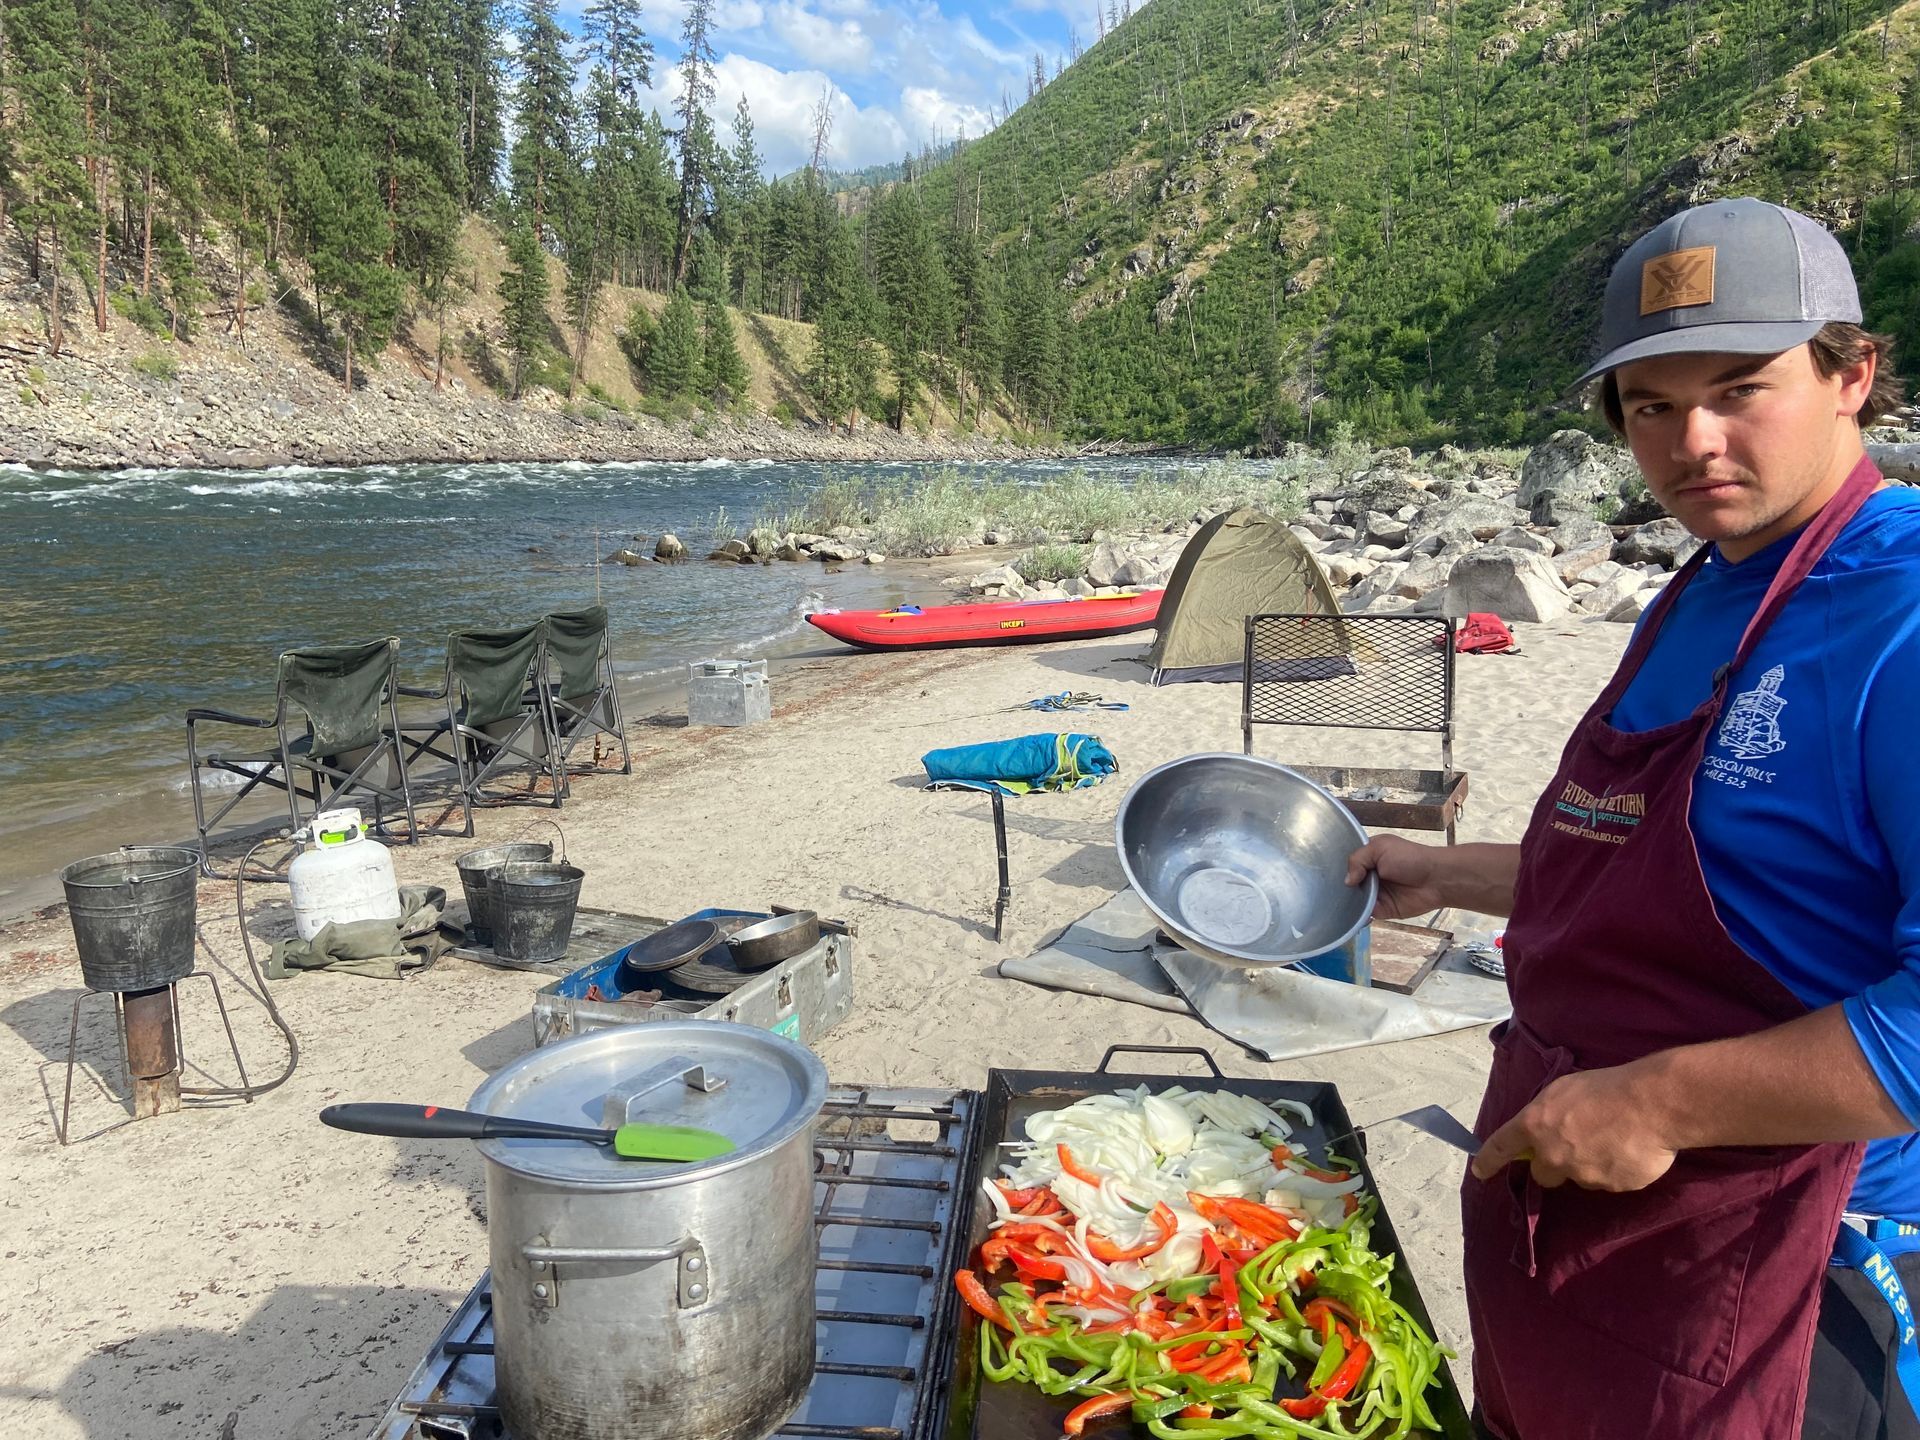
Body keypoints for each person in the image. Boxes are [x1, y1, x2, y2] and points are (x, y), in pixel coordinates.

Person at [1346, 197, 1920, 1439]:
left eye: (1740, 387)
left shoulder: (1901, 615)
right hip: (1578, 1231)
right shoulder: (1704, 584)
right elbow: (1647, 868)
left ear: (1852, 376)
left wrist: (1658, 1103)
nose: (1694, 442)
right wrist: (1442, 874)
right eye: (1652, 405)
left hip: (1781, 1271)